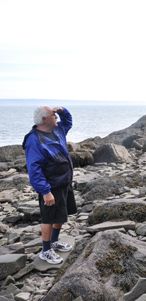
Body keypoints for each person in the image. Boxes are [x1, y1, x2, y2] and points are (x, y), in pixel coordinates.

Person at [22, 106, 74, 264]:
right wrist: (45, 191)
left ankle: (54, 242)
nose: (56, 117)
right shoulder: (34, 139)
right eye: (53, 115)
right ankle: (45, 251)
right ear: (44, 119)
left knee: (60, 215)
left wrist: (63, 110)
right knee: (48, 218)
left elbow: (68, 121)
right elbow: (34, 169)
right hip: (50, 186)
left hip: (64, 182)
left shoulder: (58, 130)